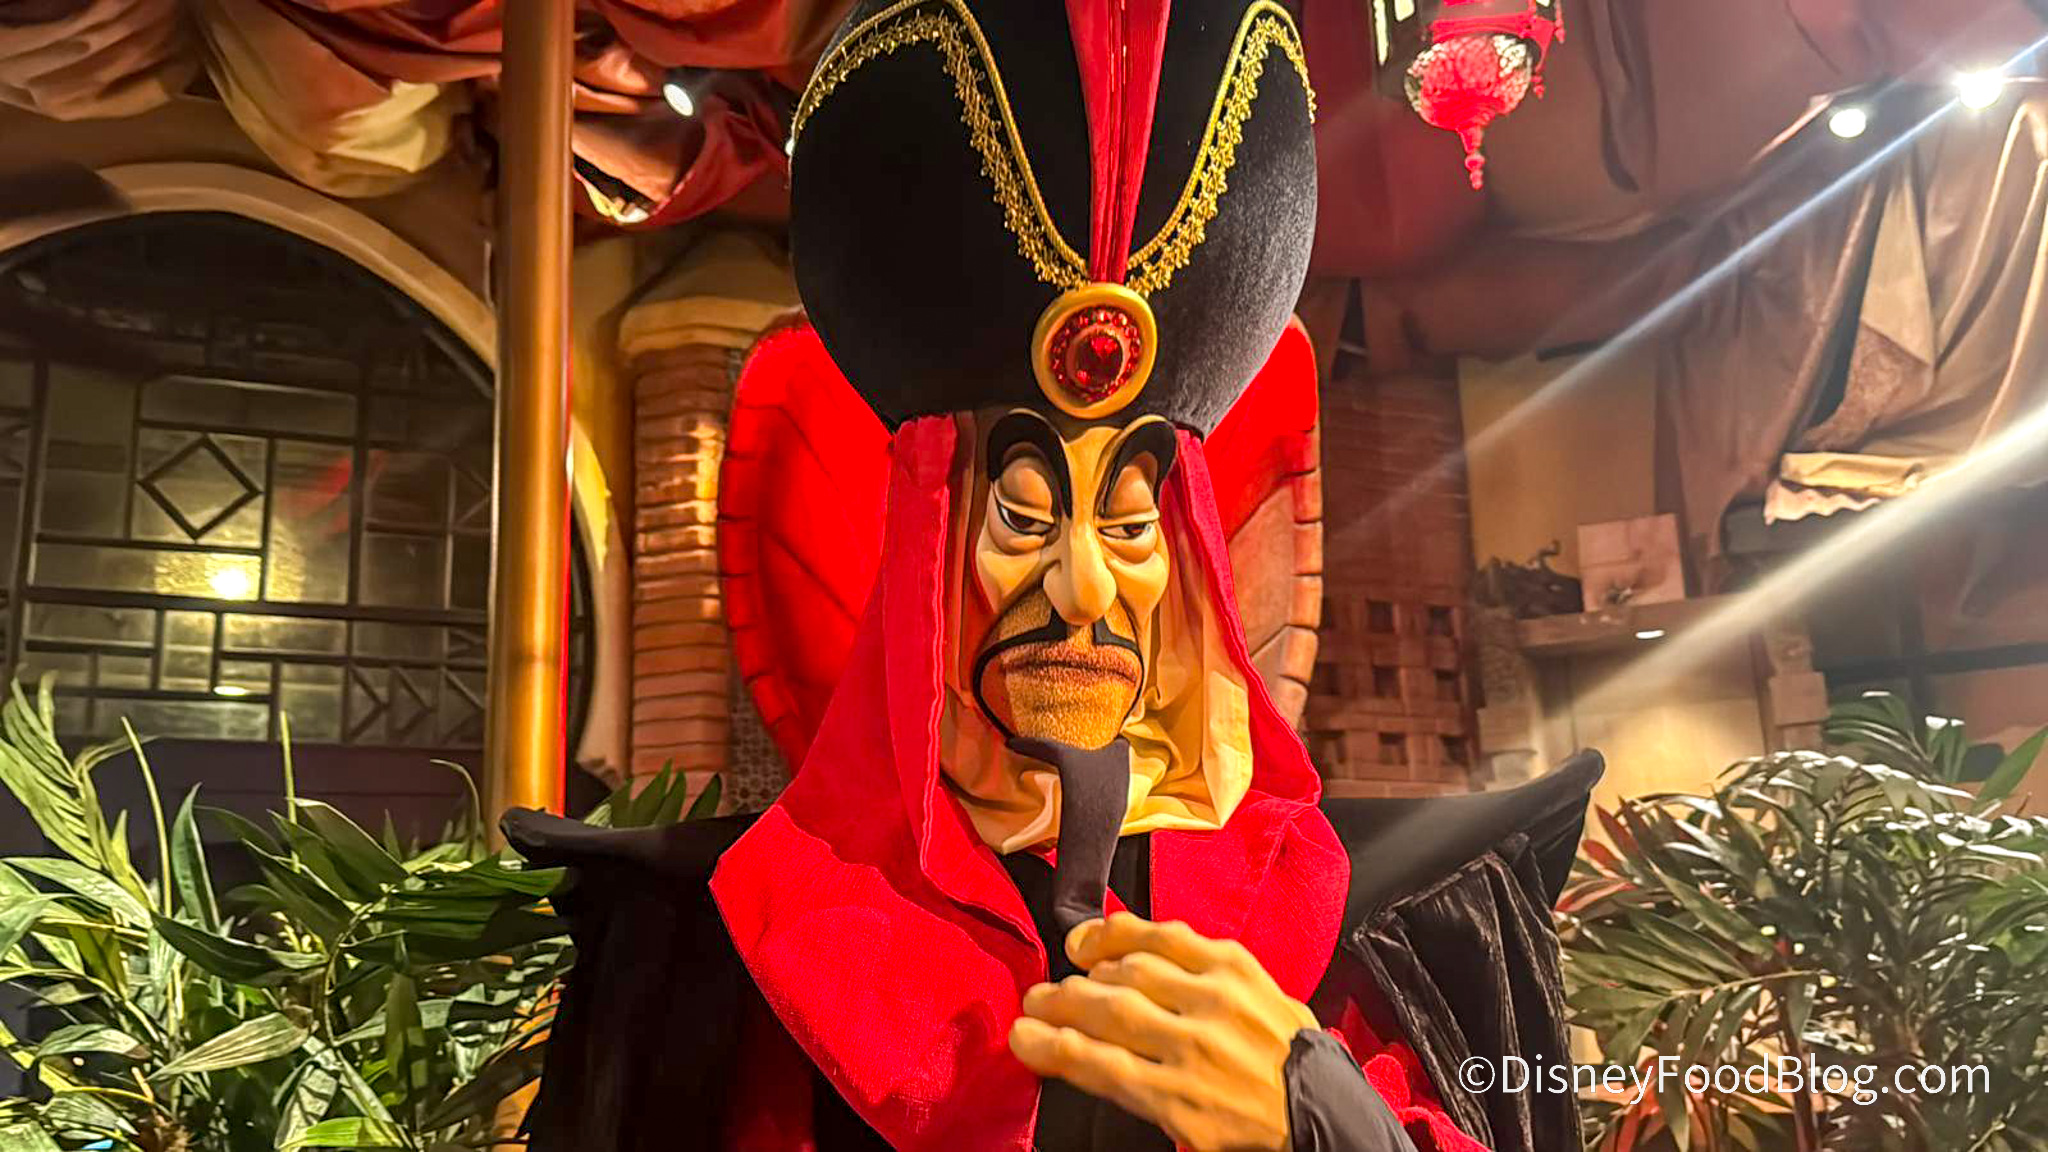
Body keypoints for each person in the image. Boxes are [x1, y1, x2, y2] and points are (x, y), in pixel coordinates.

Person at [506, 2, 1600, 1148]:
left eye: (1129, 527)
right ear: (925, 547)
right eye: (1023, 518)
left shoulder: (1412, 923)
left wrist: (1325, 1129)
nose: (1084, 592)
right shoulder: (706, 960)